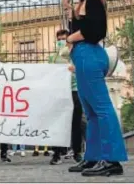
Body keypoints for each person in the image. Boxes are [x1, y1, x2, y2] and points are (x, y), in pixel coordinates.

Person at [66, 0, 127, 176]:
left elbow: (95, 31)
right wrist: (70, 12)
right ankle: (92, 157)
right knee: (90, 113)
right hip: (83, 57)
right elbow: (77, 27)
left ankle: (111, 159)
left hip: (90, 55)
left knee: (101, 108)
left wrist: (70, 39)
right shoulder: (82, 3)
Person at [49, 29, 84, 165]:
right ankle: (56, 153)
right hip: (58, 91)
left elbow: (82, 69)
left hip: (75, 90)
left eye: (63, 39)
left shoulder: (75, 55)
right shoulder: (53, 57)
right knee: (57, 122)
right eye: (59, 39)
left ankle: (77, 153)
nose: (61, 41)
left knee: (76, 123)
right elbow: (48, 73)